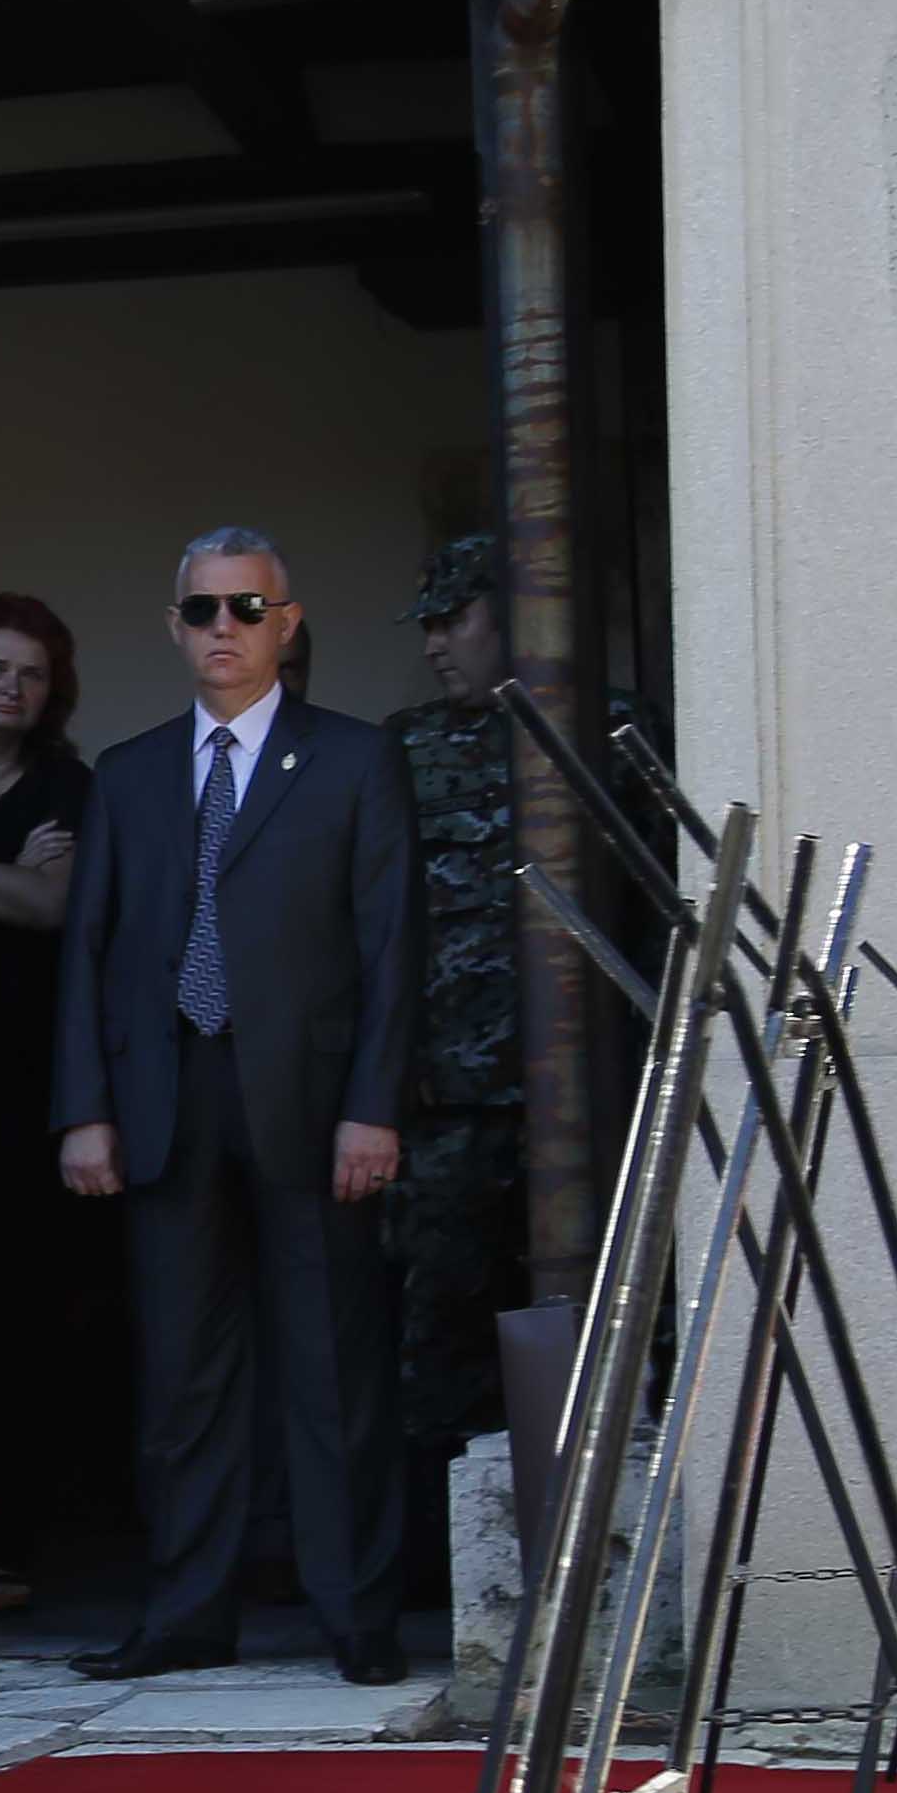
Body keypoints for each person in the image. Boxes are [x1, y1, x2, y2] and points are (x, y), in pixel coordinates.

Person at [55, 531, 418, 1685]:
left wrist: (375, 1107)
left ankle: (354, 1611)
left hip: (311, 1105)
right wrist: (86, 1110)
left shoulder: (355, 763)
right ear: (174, 626)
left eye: (247, 608)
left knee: (328, 1365)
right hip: (167, 1095)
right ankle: (187, 1611)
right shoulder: (129, 771)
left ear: (287, 621)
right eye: (203, 609)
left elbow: (393, 951)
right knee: (183, 1376)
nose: (225, 627)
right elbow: (91, 955)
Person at [0, 591, 117, 1588]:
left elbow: (54, 907)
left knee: (27, 1315)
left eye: (33, 672)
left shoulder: (67, 784)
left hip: (31, 1080)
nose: (12, 686)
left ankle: (19, 1547)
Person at [384, 535, 528, 1463]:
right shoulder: (407, 747)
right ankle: (435, 1572)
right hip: (445, 1103)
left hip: (578, 1103)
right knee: (435, 1324)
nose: (437, 644)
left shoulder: (609, 728)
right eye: (427, 625)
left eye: (454, 619)